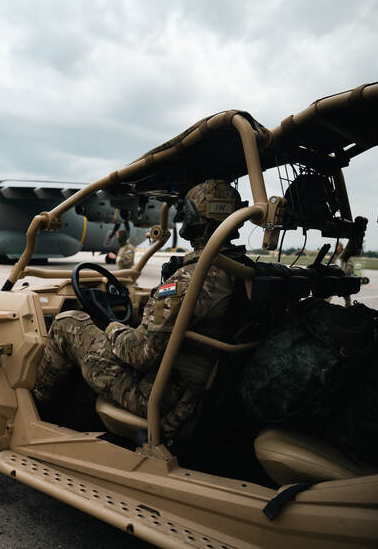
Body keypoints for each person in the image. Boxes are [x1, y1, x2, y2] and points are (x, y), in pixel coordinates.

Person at [33, 179, 247, 438]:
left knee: (68, 324)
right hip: (206, 392)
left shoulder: (193, 277)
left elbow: (140, 354)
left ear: (192, 219)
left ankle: (38, 411)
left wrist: (111, 325)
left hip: (163, 398)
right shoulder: (243, 272)